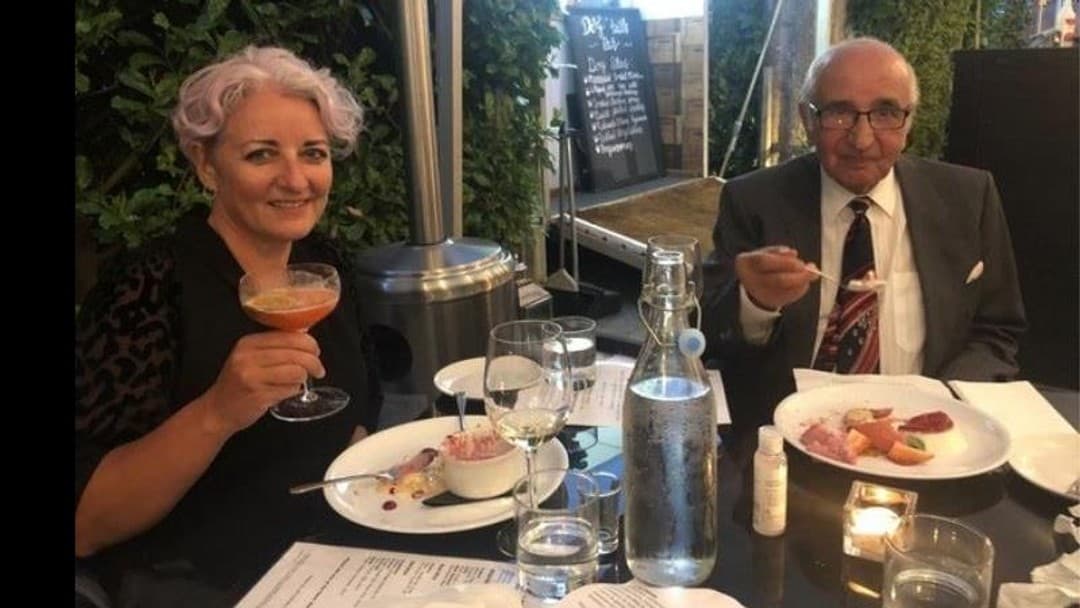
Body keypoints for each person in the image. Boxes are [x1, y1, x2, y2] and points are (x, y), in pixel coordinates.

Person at [75, 46, 381, 602]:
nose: (296, 179)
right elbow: (86, 524)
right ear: (206, 165)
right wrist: (217, 412)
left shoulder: (325, 266)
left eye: (313, 153)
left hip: (344, 565)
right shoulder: (148, 286)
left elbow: (361, 415)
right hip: (206, 586)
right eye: (262, 155)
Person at [701, 37, 1026, 427]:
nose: (862, 139)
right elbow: (709, 333)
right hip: (791, 431)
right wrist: (756, 303)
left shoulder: (968, 198)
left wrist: (946, 405)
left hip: (924, 433)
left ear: (909, 121)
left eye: (886, 113)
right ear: (807, 119)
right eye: (839, 113)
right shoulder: (754, 200)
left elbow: (997, 330)